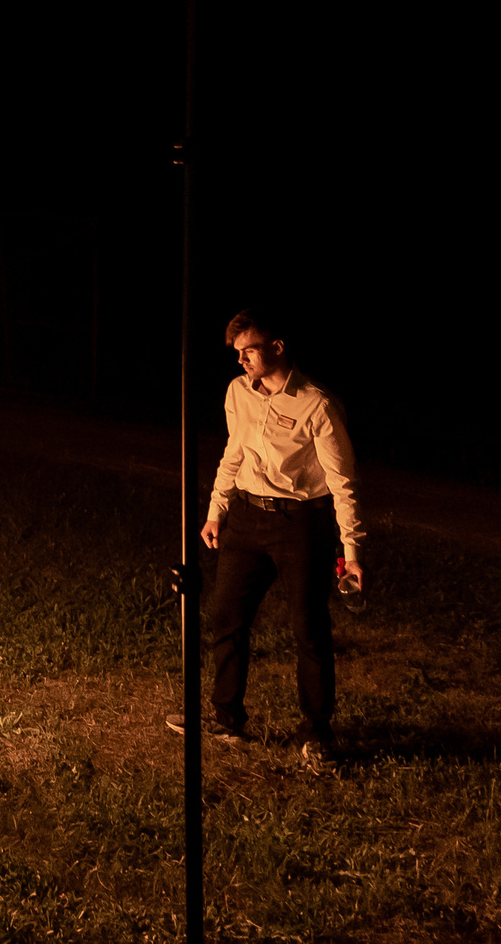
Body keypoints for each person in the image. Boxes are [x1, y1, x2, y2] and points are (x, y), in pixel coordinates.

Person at [170, 308, 363, 768]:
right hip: (246, 517)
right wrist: (216, 511)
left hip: (300, 524)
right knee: (226, 615)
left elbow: (343, 483)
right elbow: (234, 451)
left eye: (249, 351)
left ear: (277, 347)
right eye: (237, 353)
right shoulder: (238, 392)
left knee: (308, 627)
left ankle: (317, 733)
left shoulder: (317, 404)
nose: (241, 360)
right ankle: (227, 719)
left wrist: (352, 551)